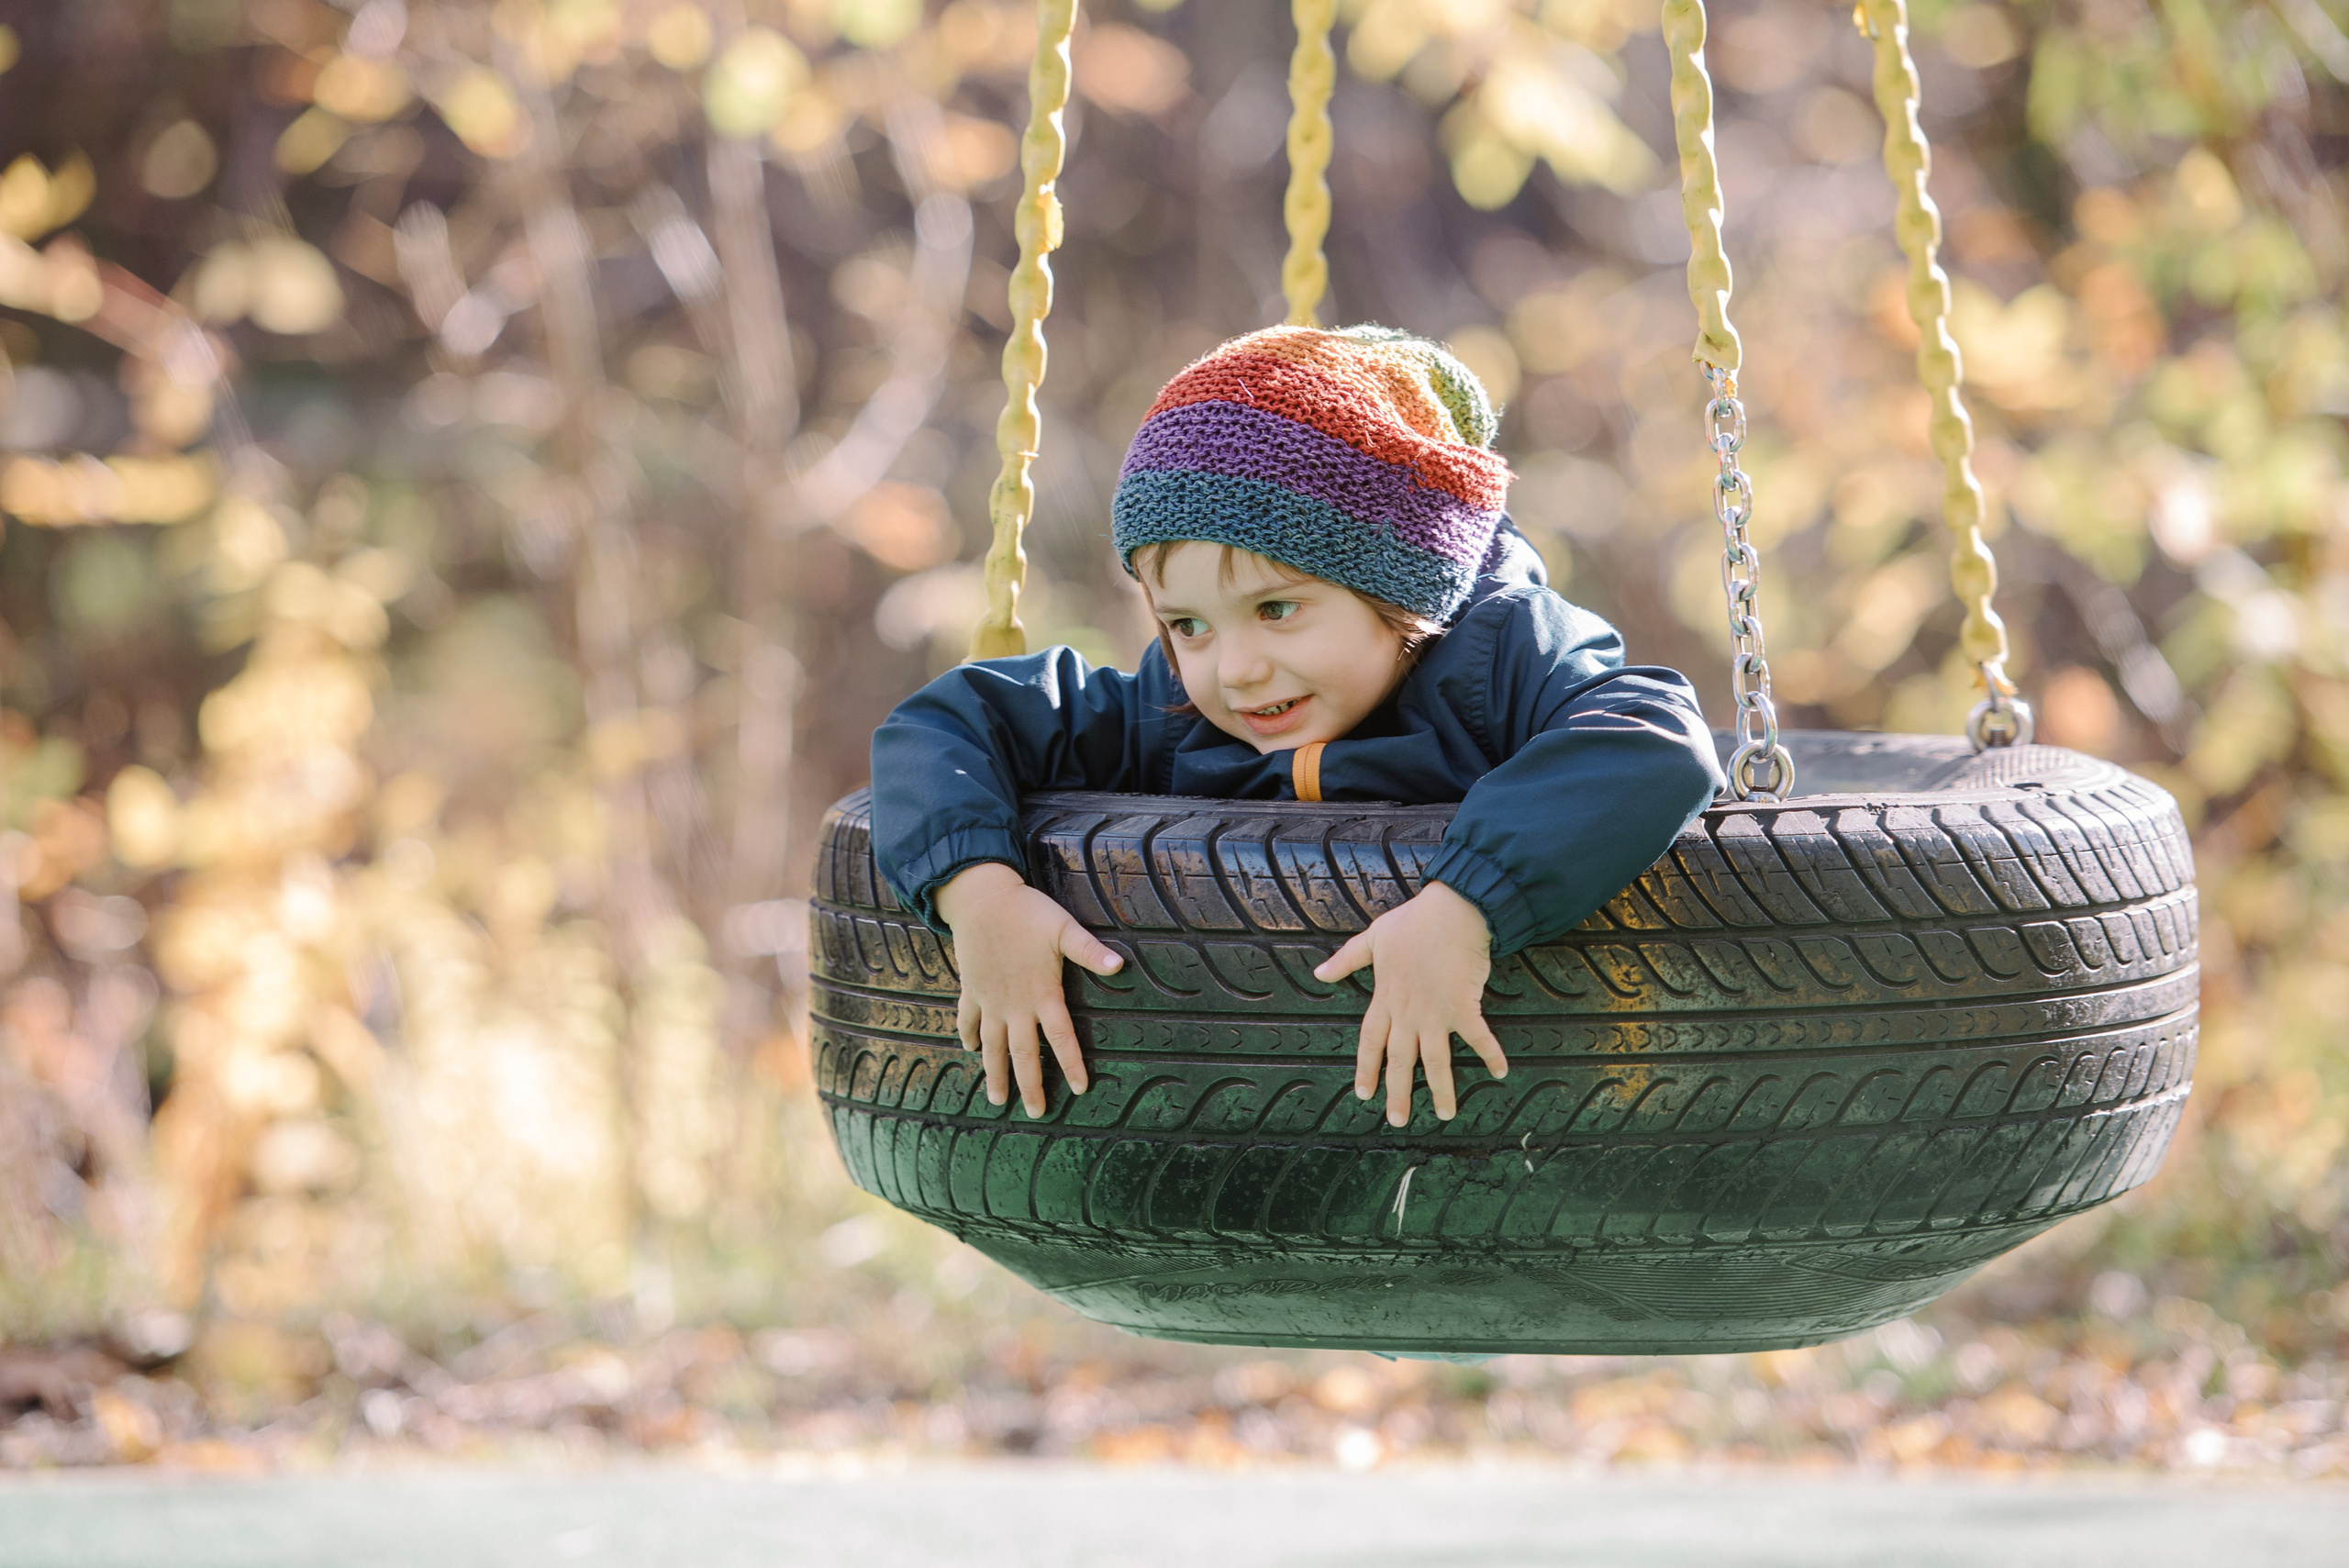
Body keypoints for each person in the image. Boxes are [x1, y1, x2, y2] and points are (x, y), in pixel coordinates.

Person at [870, 324, 1722, 1129]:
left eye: (1276, 608)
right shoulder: (1170, 707)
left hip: (1538, 1110)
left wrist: (1466, 904)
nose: (1232, 667)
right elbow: (944, 723)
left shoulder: (1501, 657)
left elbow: (1653, 737)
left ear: (1401, 587)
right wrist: (980, 895)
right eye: (1189, 623)